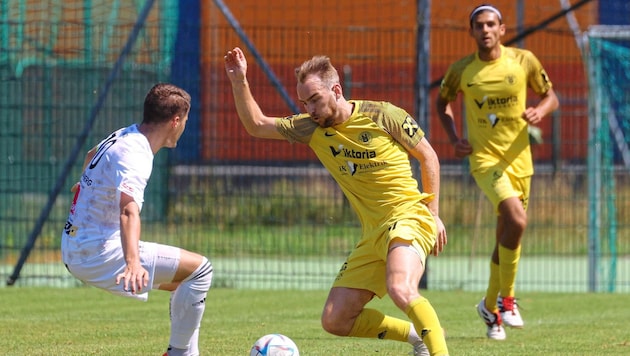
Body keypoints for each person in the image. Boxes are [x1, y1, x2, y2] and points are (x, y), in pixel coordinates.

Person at [225, 47, 449, 356]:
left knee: (401, 288)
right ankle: (418, 335)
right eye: (305, 103)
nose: (311, 109)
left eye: (315, 99)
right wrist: (240, 80)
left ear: (337, 90)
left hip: (409, 217)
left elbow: (429, 157)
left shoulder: (383, 114)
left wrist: (433, 214)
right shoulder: (312, 129)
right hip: (373, 234)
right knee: (336, 319)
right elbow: (256, 125)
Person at [436, 4, 559, 340]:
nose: (486, 30)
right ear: (472, 31)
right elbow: (442, 102)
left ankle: (489, 309)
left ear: (502, 29)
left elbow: (551, 97)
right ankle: (506, 301)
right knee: (517, 219)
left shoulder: (523, 61)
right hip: (484, 160)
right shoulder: (462, 70)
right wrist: (454, 138)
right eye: (479, 25)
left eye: (491, 24)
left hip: (521, 161)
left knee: (506, 232)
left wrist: (539, 111)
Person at [61, 83, 213, 356]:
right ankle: (180, 353)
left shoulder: (124, 134)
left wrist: (81, 184)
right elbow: (128, 210)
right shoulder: (137, 153)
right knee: (201, 270)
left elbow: (90, 155)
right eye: (185, 121)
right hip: (97, 252)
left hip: (75, 245)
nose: (184, 126)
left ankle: (185, 353)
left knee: (185, 285)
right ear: (175, 121)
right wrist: (132, 263)